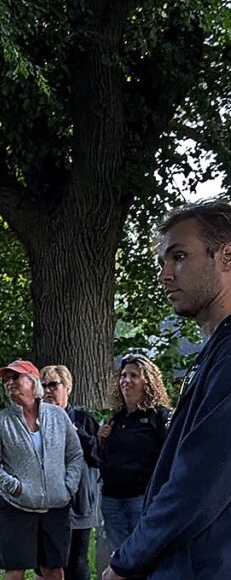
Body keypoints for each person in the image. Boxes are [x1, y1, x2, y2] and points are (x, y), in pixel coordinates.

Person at [102, 200, 231, 579]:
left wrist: (126, 561)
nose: (164, 274)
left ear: (226, 257)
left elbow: (199, 482)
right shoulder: (215, 353)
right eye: (162, 262)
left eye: (179, 256)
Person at [0, 360, 84, 580]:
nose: (9, 383)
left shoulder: (58, 416)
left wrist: (68, 487)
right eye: (6, 380)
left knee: (54, 570)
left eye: (15, 377)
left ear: (33, 381)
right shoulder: (1, 421)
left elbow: (75, 454)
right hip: (16, 506)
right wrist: (14, 487)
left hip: (56, 506)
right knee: (14, 571)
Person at [98, 353, 171, 553]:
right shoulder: (116, 419)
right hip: (112, 499)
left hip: (143, 499)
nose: (126, 381)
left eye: (133, 376)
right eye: (123, 375)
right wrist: (101, 440)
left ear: (147, 381)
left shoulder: (159, 417)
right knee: (119, 557)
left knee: (143, 554)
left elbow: (170, 456)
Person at [40, 364, 101, 580]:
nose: (47, 390)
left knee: (77, 561)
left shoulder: (83, 419)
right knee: (48, 562)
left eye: (53, 385)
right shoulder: (37, 421)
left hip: (79, 504)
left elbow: (98, 456)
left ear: (67, 388)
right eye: (43, 385)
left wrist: (78, 434)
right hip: (48, 504)